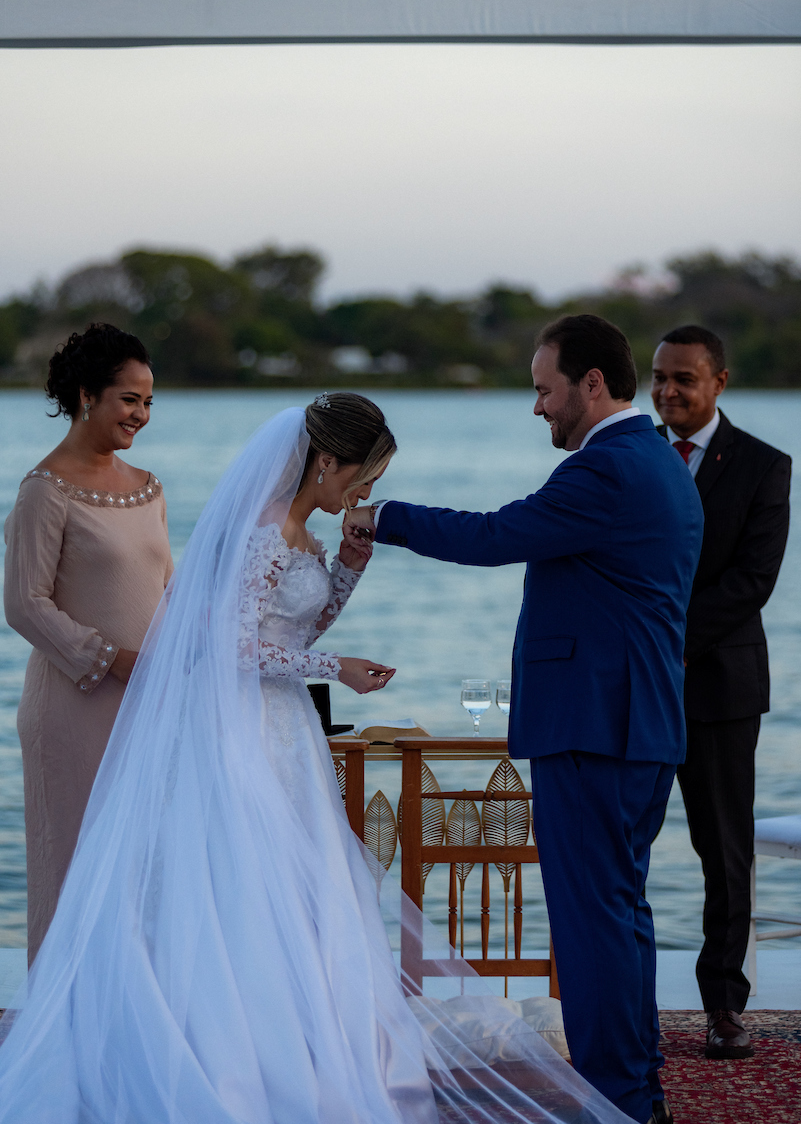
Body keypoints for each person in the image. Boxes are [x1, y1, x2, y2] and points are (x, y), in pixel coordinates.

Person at [0, 391, 628, 1124]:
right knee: (252, 886)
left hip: (286, 727)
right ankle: (239, 1058)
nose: (361, 494)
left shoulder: (300, 532)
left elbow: (297, 625)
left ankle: (306, 1043)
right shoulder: (265, 530)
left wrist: (351, 571)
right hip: (242, 731)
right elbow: (236, 649)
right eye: (358, 477)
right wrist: (339, 668)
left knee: (305, 894)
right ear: (325, 460)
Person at [346, 315, 705, 1124]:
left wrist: (388, 516)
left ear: (589, 384)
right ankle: (636, 1090)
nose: (536, 407)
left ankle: (619, 1100)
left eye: (544, 389)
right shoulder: (655, 461)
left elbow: (498, 534)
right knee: (621, 917)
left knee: (591, 926)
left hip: (595, 728)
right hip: (634, 726)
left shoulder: (605, 469)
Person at [3, 322, 173, 963]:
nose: (141, 415)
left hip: (146, 702)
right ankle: (66, 1038)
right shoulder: (44, 491)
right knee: (74, 868)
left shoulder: (149, 487)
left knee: (143, 868)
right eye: (129, 400)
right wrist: (112, 660)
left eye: (148, 401)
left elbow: (166, 587)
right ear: (85, 396)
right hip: (75, 708)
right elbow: (24, 604)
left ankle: (134, 1030)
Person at [651, 325, 791, 1060]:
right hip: (632, 689)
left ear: (718, 382)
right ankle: (615, 998)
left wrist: (659, 643)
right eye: (658, 377)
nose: (667, 391)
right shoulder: (628, 454)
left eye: (683, 378)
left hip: (720, 686)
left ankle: (722, 1008)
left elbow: (751, 583)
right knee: (622, 847)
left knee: (722, 851)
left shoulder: (766, 467)